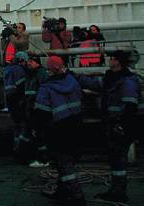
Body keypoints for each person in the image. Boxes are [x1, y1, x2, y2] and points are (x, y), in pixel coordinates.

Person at [77, 50, 140, 202]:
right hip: (112, 124)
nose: (109, 60)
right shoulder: (111, 78)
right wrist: (76, 76)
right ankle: (116, 190)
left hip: (120, 125)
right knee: (115, 158)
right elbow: (94, 84)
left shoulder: (127, 80)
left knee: (118, 159)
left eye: (112, 58)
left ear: (118, 61)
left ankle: (119, 192)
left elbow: (130, 106)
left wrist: (121, 125)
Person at [34, 56, 85, 205]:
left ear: (48, 69)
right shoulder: (73, 81)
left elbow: (41, 114)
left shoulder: (46, 88)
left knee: (64, 164)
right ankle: (62, 192)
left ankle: (77, 197)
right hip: (76, 126)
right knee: (67, 162)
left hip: (58, 130)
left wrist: (37, 131)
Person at [23, 54, 49, 166]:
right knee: (35, 133)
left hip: (38, 108)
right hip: (31, 107)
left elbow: (44, 89)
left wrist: (36, 104)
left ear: (37, 62)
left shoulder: (40, 73)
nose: (28, 63)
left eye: (31, 61)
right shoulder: (31, 74)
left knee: (39, 133)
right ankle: (39, 157)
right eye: (28, 61)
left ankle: (43, 159)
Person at [3, 51, 27, 151]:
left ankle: (15, 146)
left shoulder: (7, 69)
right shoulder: (18, 70)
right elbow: (21, 86)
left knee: (16, 124)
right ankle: (21, 148)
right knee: (22, 124)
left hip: (9, 99)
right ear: (21, 60)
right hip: (17, 99)